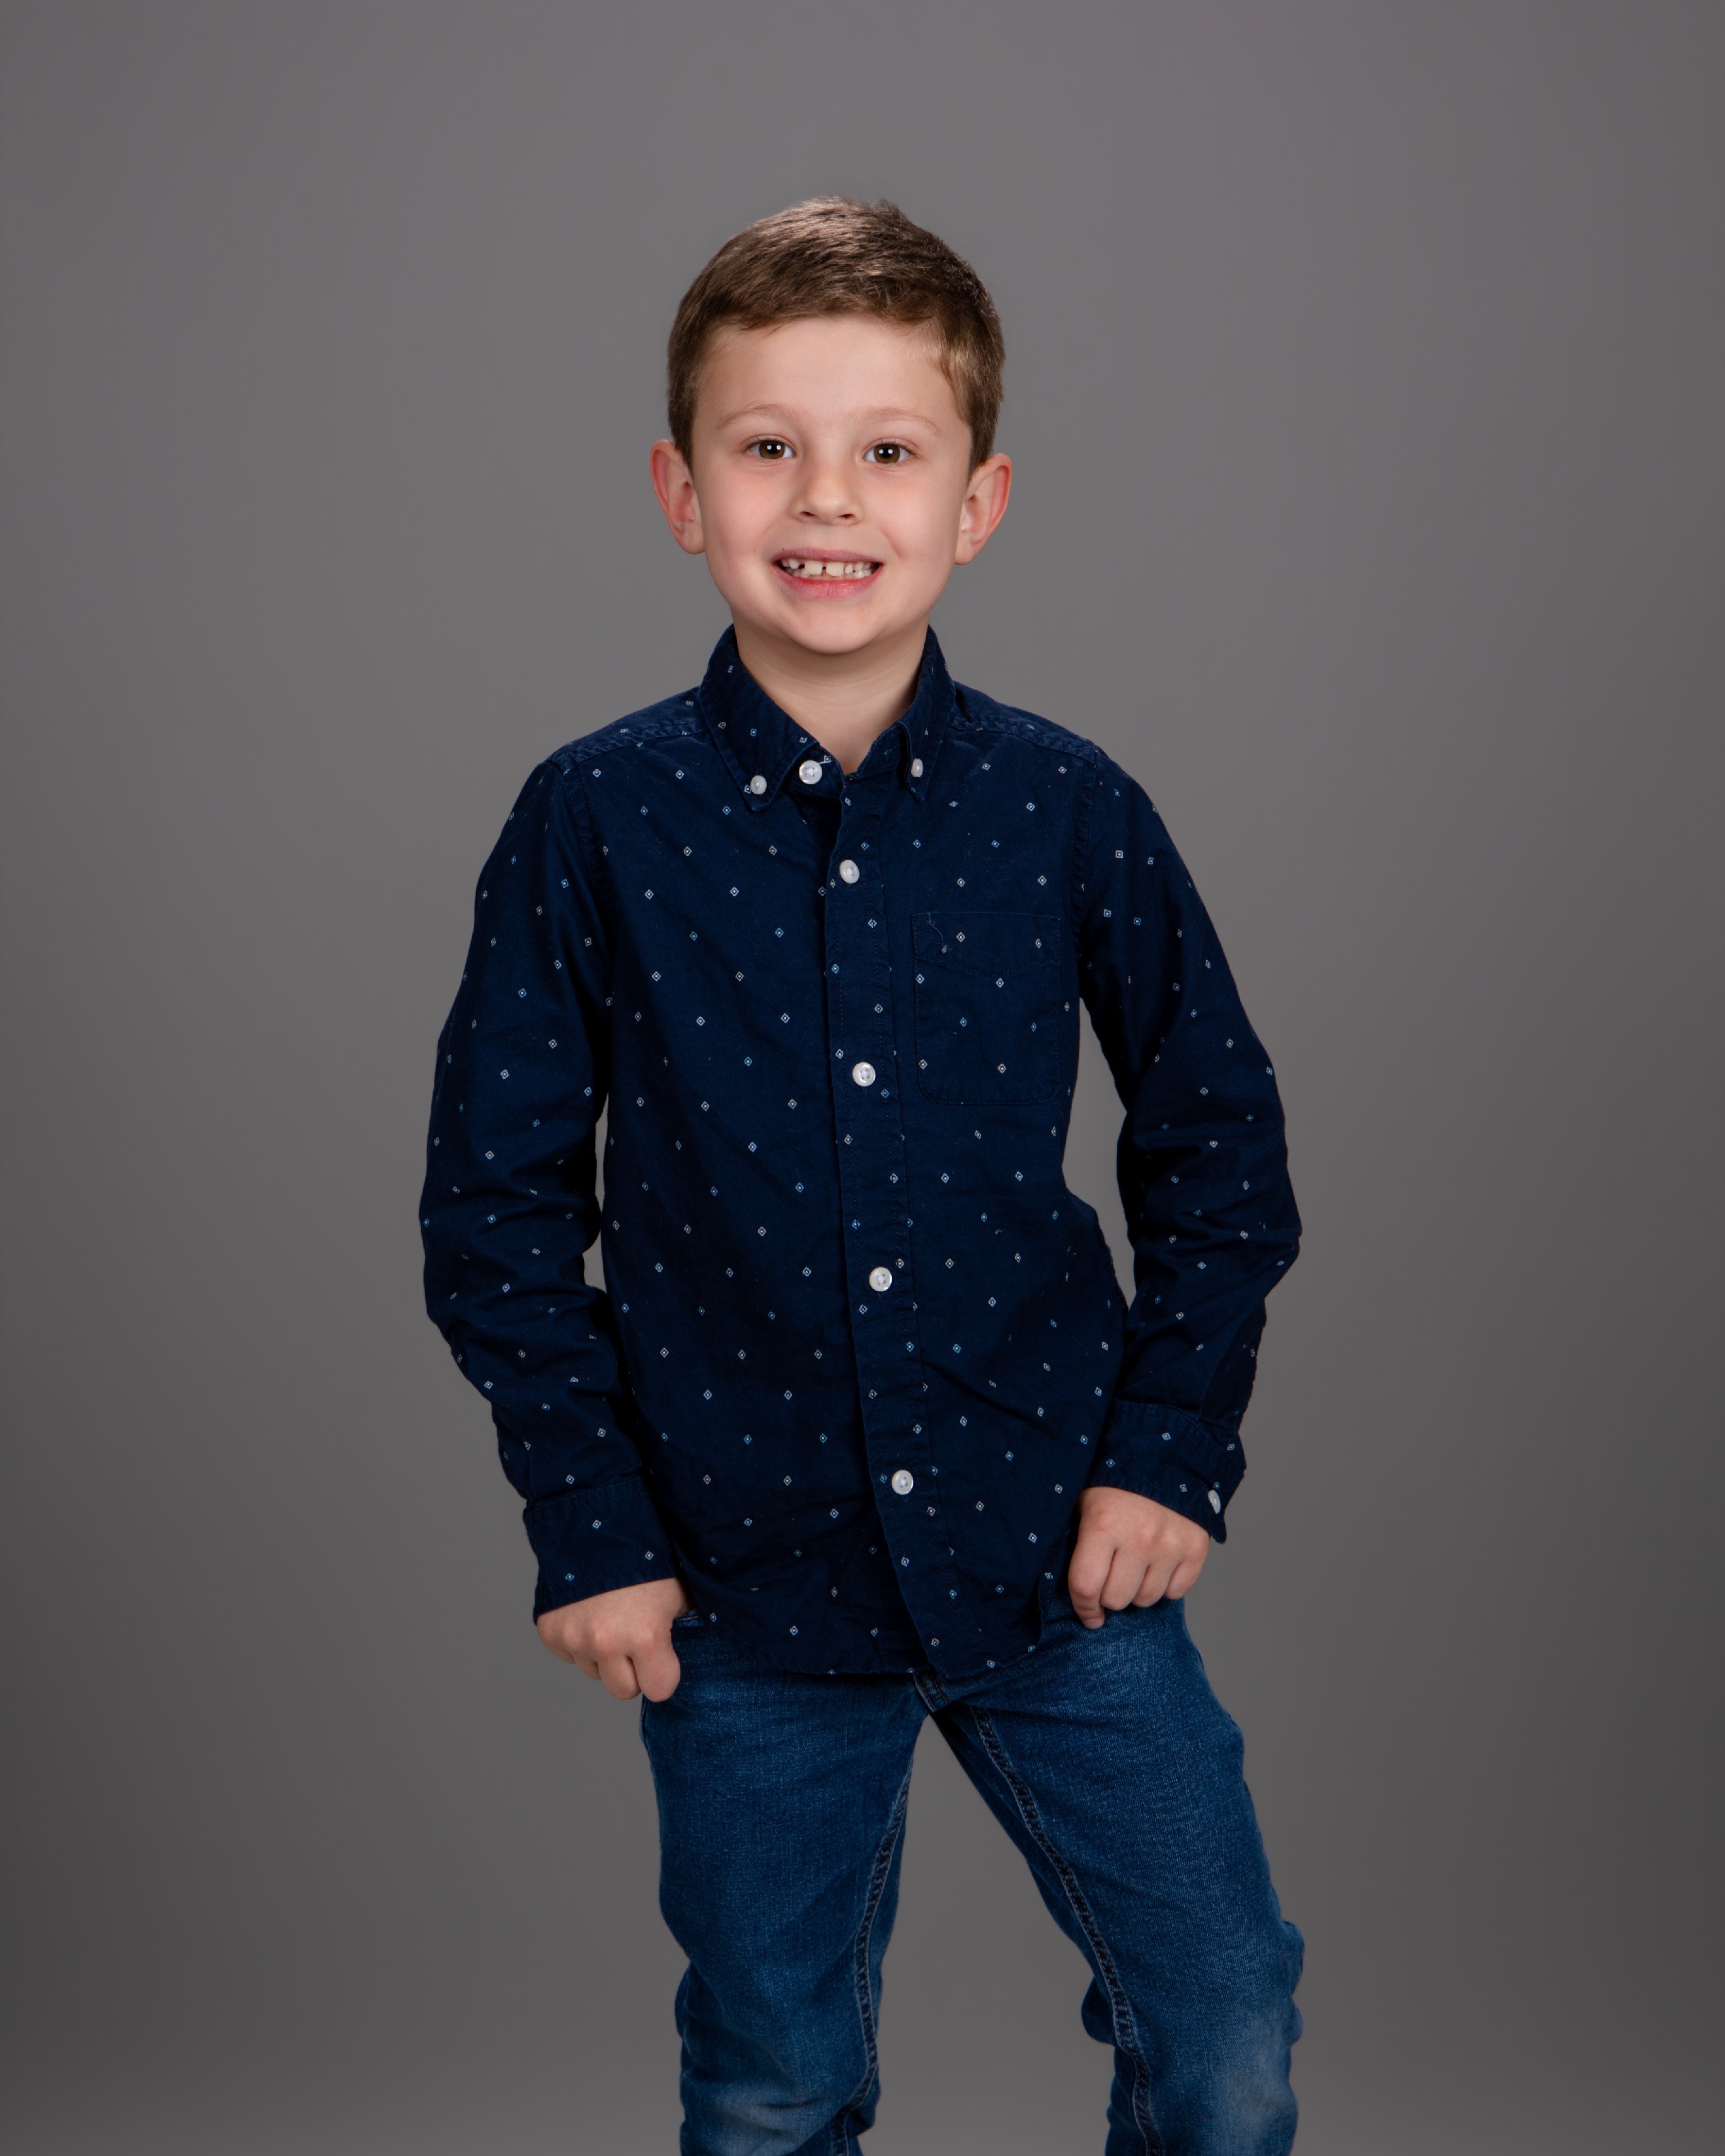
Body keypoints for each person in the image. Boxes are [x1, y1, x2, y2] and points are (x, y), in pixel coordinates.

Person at [421, 196, 1304, 2156]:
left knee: (1226, 2028)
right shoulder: (592, 819)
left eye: (889, 448)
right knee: (774, 2081)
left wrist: (1170, 1449)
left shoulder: (1072, 807)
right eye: (769, 446)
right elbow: (494, 1202)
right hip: (736, 1580)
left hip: (1056, 1546)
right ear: (683, 490)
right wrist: (589, 1518)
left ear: (978, 503)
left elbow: (1219, 1145)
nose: (828, 498)